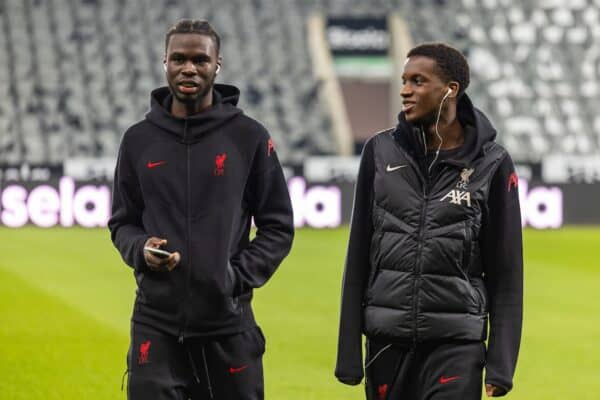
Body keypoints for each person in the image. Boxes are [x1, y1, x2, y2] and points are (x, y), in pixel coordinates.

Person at [108, 19, 294, 400]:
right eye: (178, 58)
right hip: (155, 325)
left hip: (229, 327)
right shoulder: (138, 140)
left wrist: (234, 278)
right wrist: (140, 249)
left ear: (217, 65)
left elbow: (278, 226)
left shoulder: (250, 137)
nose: (188, 68)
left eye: (199, 60)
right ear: (165, 62)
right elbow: (122, 222)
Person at [335, 42, 523, 399]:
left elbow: (507, 270)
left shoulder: (493, 163)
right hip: (385, 343)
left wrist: (501, 363)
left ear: (450, 89)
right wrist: (347, 350)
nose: (405, 90)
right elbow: (358, 254)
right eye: (404, 80)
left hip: (456, 345)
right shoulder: (379, 151)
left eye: (418, 81)